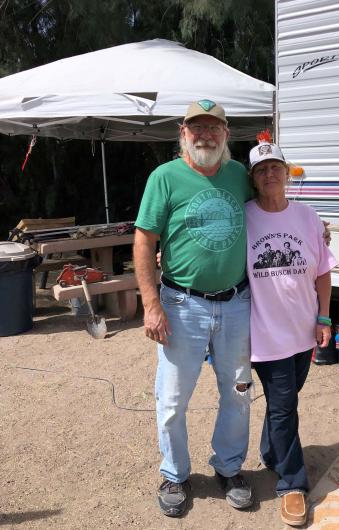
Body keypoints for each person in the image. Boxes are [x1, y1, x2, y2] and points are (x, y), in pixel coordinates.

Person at [134, 100, 254, 518]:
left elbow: (272, 208)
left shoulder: (240, 176)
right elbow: (144, 241)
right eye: (196, 128)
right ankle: (175, 473)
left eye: (213, 128)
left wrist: (313, 228)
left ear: (226, 135)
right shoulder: (164, 178)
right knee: (172, 398)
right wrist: (151, 304)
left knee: (238, 393)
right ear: (183, 133)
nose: (205, 135)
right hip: (181, 304)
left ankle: (228, 467)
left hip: (236, 303)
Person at [245, 141, 337, 527]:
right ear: (253, 178)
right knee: (285, 407)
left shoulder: (309, 216)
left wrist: (325, 318)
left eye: (275, 167)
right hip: (266, 333)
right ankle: (292, 484)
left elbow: (323, 272)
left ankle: (271, 452)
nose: (270, 174)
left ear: (286, 172)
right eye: (262, 169)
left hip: (304, 330)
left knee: (284, 402)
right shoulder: (244, 217)